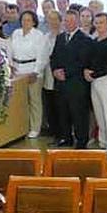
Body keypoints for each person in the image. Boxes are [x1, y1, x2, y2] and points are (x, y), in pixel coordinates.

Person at [50, 9, 94, 148]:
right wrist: (55, 70)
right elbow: (54, 57)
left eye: (71, 20)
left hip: (76, 83)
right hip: (60, 83)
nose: (67, 23)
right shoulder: (60, 37)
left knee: (78, 113)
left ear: (77, 21)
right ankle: (66, 137)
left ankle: (81, 140)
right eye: (66, 20)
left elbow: (83, 61)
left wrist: (66, 73)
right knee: (63, 112)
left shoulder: (85, 39)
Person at [84, 13, 107, 151]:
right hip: (95, 80)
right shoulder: (94, 41)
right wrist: (86, 71)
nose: (99, 25)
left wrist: (94, 74)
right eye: (97, 23)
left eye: (102, 22)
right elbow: (89, 60)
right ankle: (103, 141)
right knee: (99, 111)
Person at [8, 10, 47, 138]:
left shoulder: (38, 35)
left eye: (28, 20)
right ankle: (22, 128)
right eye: (23, 19)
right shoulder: (16, 33)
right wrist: (10, 65)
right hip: (17, 71)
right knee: (20, 101)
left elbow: (42, 55)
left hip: (32, 71)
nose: (25, 22)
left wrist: (36, 72)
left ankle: (35, 128)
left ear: (34, 22)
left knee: (34, 101)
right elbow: (10, 50)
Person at [40, 10, 62, 138]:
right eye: (50, 19)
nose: (53, 22)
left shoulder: (64, 35)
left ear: (60, 20)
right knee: (50, 104)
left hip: (61, 75)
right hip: (48, 74)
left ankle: (63, 132)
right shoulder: (45, 37)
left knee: (61, 106)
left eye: (55, 19)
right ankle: (53, 132)